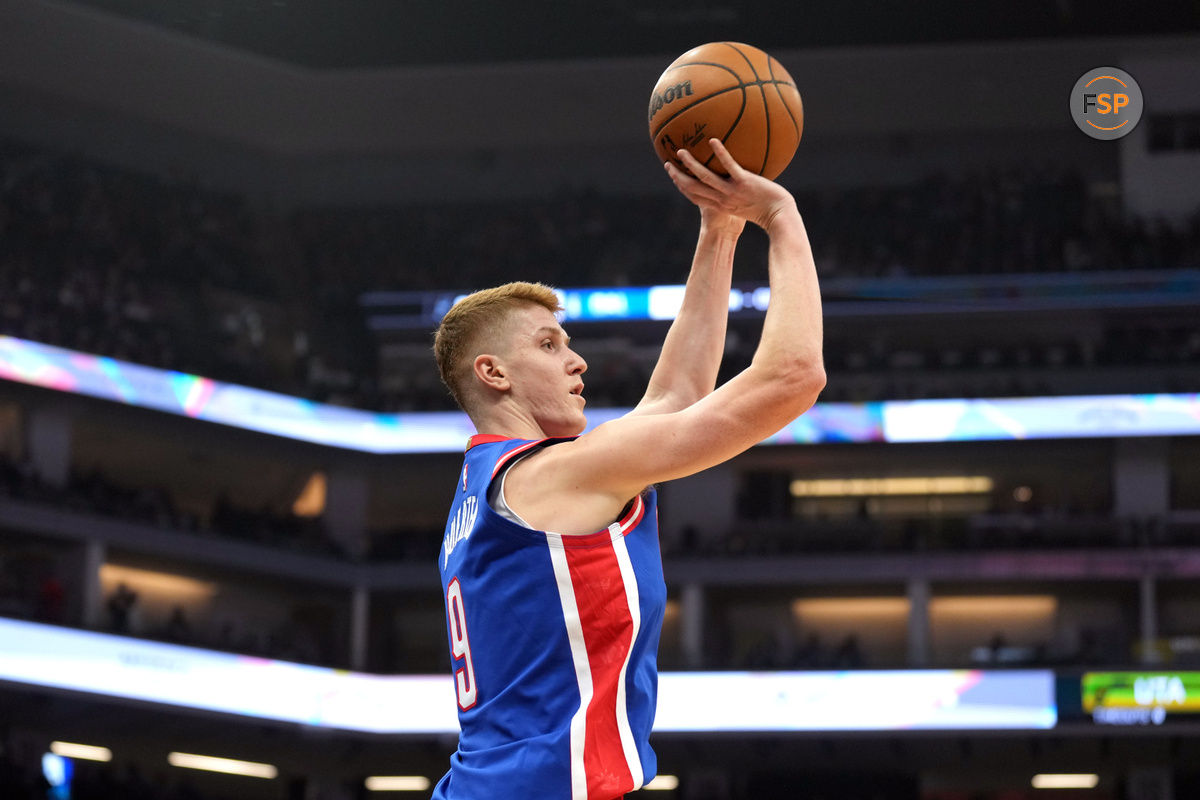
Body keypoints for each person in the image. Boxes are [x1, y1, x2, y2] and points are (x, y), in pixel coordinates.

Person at [431, 140, 825, 800]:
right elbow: (793, 375)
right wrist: (780, 215)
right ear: (492, 373)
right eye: (550, 345)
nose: (577, 362)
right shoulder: (556, 476)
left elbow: (676, 397)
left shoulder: (490, 490)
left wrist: (720, 228)